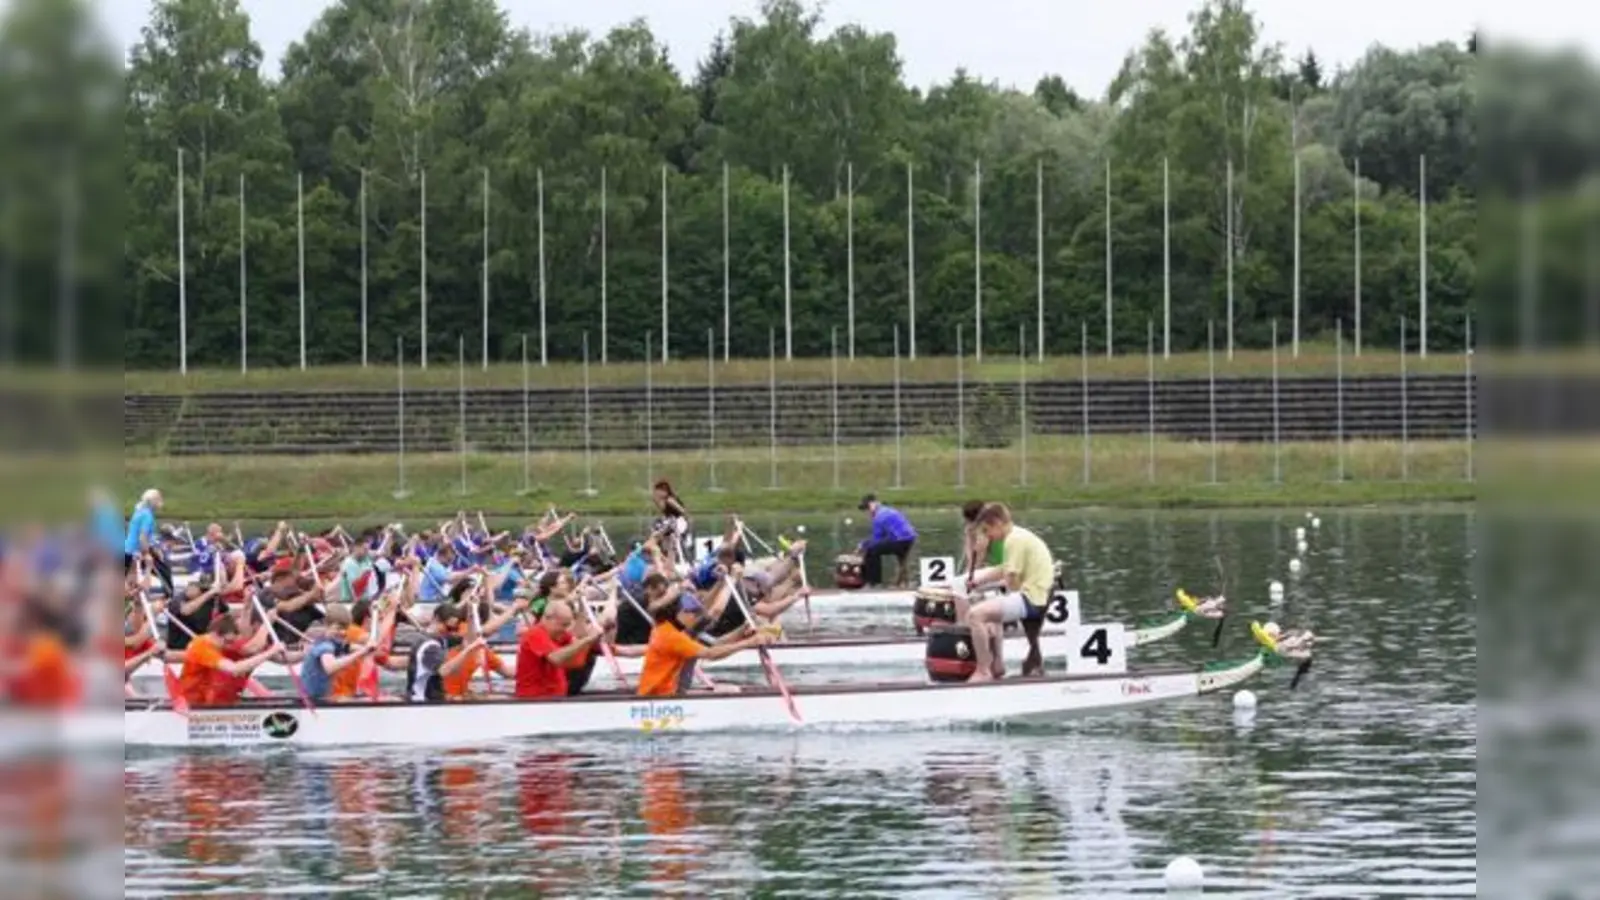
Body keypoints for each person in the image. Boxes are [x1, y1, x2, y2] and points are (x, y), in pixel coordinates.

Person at [636, 573, 771, 697]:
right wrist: (748, 643)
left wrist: (742, 631)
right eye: (690, 613)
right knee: (729, 690)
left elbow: (716, 644)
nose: (694, 616)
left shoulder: (664, 629)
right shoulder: (673, 637)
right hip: (660, 696)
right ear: (678, 613)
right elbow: (711, 654)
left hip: (664, 692)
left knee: (731, 689)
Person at [964, 503, 1055, 681]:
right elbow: (1004, 570)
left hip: (1031, 599)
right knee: (992, 610)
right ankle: (997, 666)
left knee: (975, 615)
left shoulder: (1014, 540)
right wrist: (977, 581)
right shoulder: (1018, 535)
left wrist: (1003, 586)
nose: (987, 536)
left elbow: (1011, 580)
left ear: (998, 523)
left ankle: (983, 671)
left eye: (987, 530)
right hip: (1036, 595)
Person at [514, 598, 611, 699]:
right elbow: (556, 658)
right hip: (536, 700)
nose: (565, 629)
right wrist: (587, 640)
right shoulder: (535, 634)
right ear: (547, 618)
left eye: (568, 625)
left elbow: (577, 638)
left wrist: (583, 613)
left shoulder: (558, 634)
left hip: (555, 697)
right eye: (563, 625)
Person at [177, 615, 281, 707]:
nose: (228, 646)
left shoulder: (212, 643)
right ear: (215, 634)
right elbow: (235, 669)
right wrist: (270, 652)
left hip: (208, 700)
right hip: (193, 704)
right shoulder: (202, 648)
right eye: (227, 642)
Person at [296, 605, 377, 704]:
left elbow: (350, 647)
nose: (342, 632)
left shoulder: (335, 642)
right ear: (326, 625)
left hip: (322, 698)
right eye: (338, 628)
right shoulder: (325, 645)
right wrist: (362, 652)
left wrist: (369, 649)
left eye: (345, 628)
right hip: (315, 701)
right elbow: (330, 667)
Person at [856, 494, 918, 588]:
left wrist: (863, 545)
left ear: (873, 504)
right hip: (909, 538)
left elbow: (877, 540)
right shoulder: (887, 510)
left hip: (900, 540)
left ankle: (874, 583)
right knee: (899, 559)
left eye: (867, 507)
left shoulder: (879, 516)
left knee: (871, 550)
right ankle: (903, 583)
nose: (867, 511)